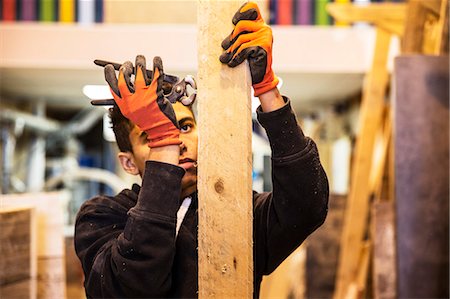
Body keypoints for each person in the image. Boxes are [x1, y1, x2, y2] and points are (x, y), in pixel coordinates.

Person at [75, 2, 329, 298]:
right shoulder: (103, 216)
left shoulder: (235, 212)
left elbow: (307, 206)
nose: (177, 140)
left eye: (184, 127)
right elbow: (131, 287)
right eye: (151, 136)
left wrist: (267, 89)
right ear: (128, 163)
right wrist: (164, 141)